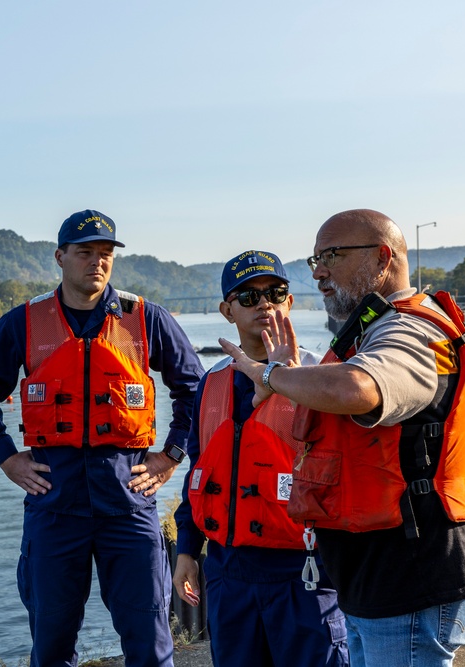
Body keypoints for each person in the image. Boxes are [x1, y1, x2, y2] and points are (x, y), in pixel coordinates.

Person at [219, 209, 465, 667]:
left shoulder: (409, 331)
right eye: (315, 259)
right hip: (376, 580)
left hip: (410, 580)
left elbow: (357, 389)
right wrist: (282, 384)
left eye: (332, 256)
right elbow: (331, 440)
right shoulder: (369, 333)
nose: (318, 272)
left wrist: (275, 375)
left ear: (383, 258)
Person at [0, 209, 204, 667]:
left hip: (128, 505)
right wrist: (8, 459)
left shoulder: (144, 319)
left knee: (149, 643)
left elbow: (195, 387)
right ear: (60, 256)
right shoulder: (25, 323)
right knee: (51, 644)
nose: (97, 262)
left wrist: (171, 456)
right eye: (85, 252)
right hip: (54, 506)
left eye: (106, 253)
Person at [173, 250, 349, 666]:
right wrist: (186, 551)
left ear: (289, 302)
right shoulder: (210, 385)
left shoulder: (324, 376)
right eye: (248, 297)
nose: (264, 304)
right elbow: (200, 475)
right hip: (228, 574)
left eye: (275, 292)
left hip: (306, 573)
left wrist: (284, 381)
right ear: (227, 311)